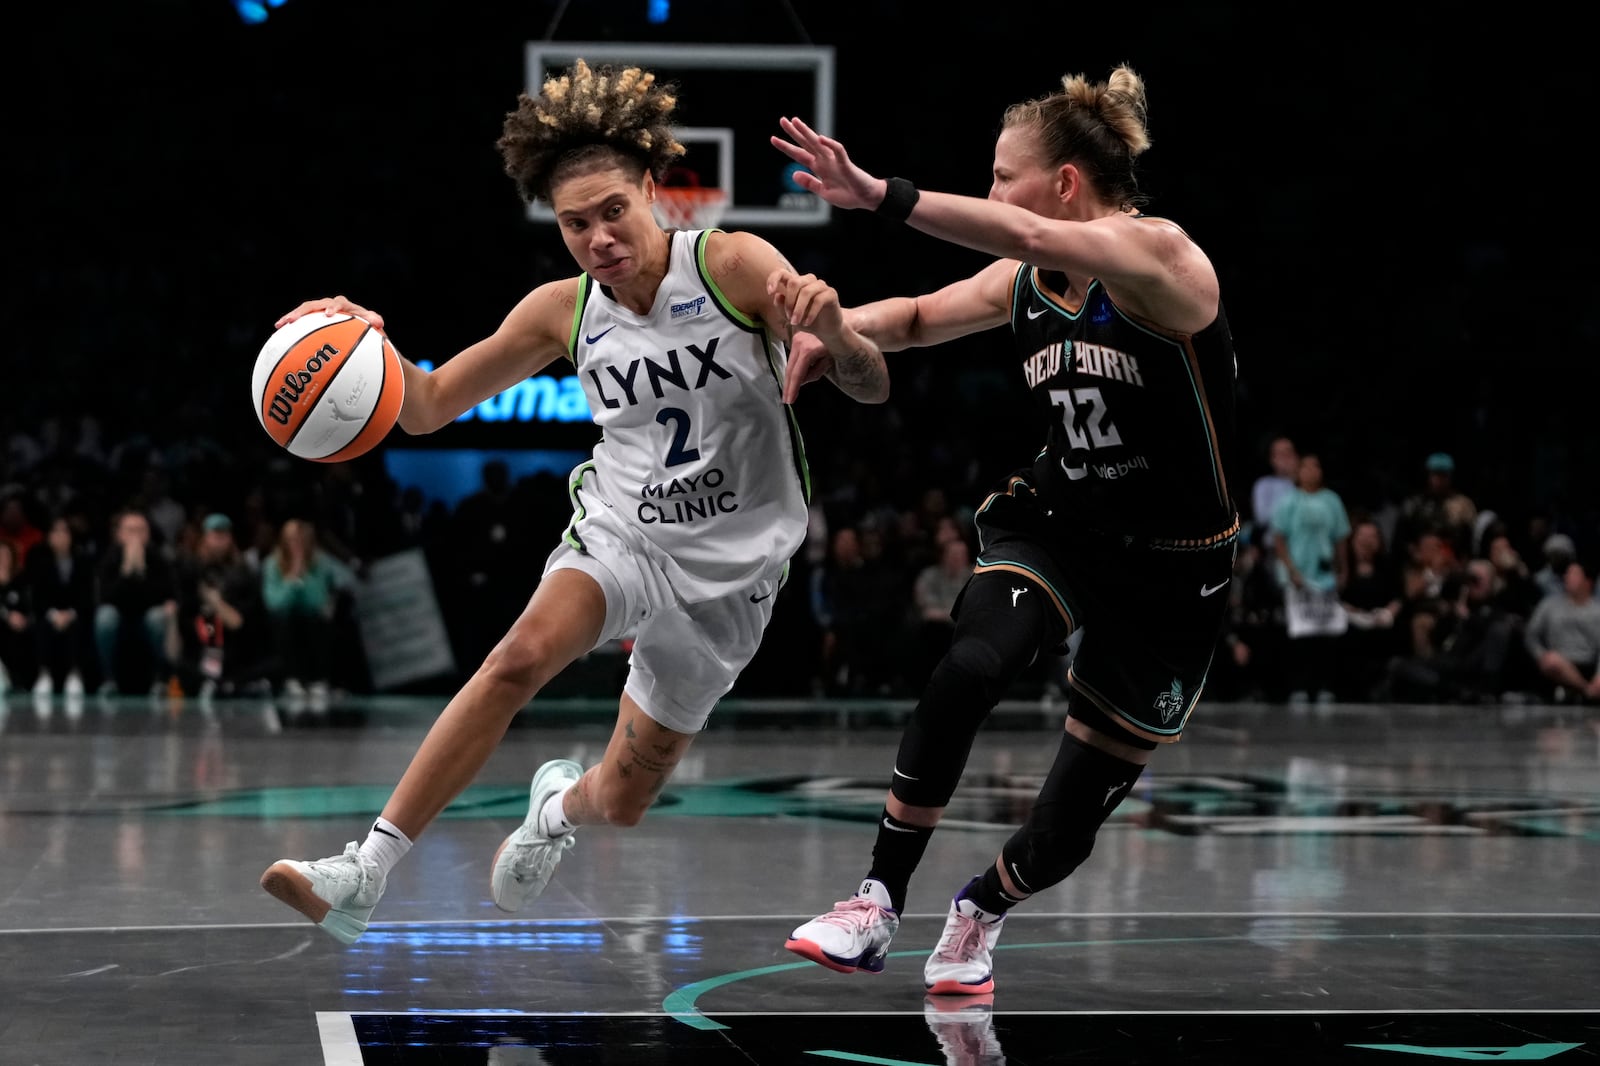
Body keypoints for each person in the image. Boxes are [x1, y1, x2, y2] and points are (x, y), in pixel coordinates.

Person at [259, 58, 888, 945]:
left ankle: (557, 805)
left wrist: (836, 333)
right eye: (574, 223)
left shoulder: (735, 266)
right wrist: (359, 339)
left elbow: (869, 385)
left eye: (613, 212)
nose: (598, 237)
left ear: (655, 193)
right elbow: (430, 405)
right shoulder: (562, 312)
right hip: (625, 534)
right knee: (517, 658)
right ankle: (363, 871)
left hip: (737, 575)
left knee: (624, 802)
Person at [771, 64, 1239, 995]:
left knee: (1066, 823)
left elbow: (1025, 230)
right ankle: (874, 901)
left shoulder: (1165, 262)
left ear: (1064, 183)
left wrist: (879, 196)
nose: (990, 195)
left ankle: (979, 908)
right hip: (1062, 520)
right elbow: (911, 318)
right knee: (971, 665)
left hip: (1175, 567)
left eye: (998, 175)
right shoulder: (1024, 281)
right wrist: (831, 331)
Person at [1270, 451, 1351, 705]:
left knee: (1326, 634)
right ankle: (1299, 687)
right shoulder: (1289, 502)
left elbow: (1340, 539)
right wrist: (1291, 570)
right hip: (1298, 577)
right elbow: (1279, 539)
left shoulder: (1332, 501)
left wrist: (1343, 569)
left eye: (1315, 467)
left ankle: (1324, 686)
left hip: (1325, 576)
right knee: (1299, 635)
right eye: (1305, 467)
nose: (1310, 472)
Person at [260, 517, 355, 704]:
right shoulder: (272, 564)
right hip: (285, 619)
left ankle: (319, 679)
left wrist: (304, 574)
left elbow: (318, 600)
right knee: (284, 621)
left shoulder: (320, 561)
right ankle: (293, 679)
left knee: (316, 620)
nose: (296, 545)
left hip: (313, 618)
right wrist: (292, 579)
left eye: (300, 539)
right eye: (291, 540)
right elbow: (274, 602)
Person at [24, 516, 95, 697]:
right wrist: (53, 614)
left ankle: (74, 674)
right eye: (55, 531)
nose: (60, 536)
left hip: (75, 614)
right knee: (41, 626)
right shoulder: (39, 561)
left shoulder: (82, 561)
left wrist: (70, 613)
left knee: (77, 627)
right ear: (48, 536)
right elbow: (37, 595)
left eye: (64, 531)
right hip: (48, 613)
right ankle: (44, 674)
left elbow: (86, 595)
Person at [1523, 559, 1600, 703]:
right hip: (1557, 663)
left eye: (1574, 574)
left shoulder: (1597, 611)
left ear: (1588, 582)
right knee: (1551, 661)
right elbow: (1531, 634)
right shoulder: (1549, 604)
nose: (1567, 577)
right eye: (1567, 574)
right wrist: (1540, 655)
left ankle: (1582, 691)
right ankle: (1586, 691)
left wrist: (1599, 674)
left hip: (1587, 664)